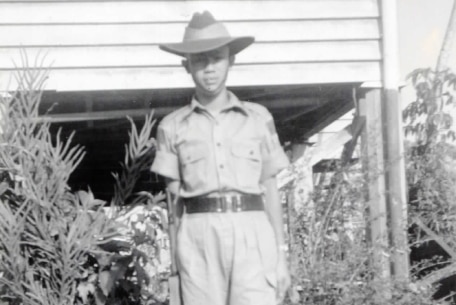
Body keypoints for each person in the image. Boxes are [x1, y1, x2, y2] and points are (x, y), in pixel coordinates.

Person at [151, 11, 291, 305]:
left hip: (252, 232)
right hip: (198, 237)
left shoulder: (257, 118)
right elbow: (174, 207)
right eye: (199, 60)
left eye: (217, 58)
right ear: (186, 66)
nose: (209, 68)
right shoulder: (171, 127)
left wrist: (280, 256)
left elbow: (271, 189)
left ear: (231, 60)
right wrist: (176, 273)